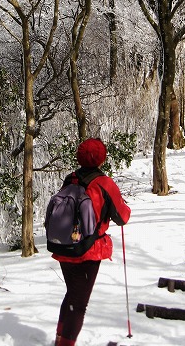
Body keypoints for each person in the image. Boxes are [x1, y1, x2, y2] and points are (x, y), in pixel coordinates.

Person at [52, 138, 131, 346]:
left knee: (72, 295)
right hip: (87, 251)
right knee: (78, 303)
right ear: (102, 158)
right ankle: (64, 343)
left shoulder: (71, 179)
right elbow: (122, 217)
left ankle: (60, 337)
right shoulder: (105, 183)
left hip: (63, 246)